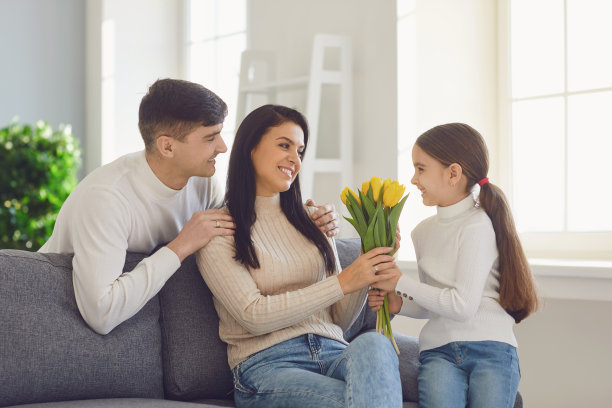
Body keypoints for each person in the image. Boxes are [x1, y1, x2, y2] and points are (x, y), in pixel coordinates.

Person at [39, 79, 340, 335]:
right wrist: (181, 246)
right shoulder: (106, 199)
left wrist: (305, 218)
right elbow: (100, 313)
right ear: (167, 146)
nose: (223, 147)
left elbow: (247, 227)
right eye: (210, 137)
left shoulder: (203, 184)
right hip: (51, 311)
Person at [197, 104, 403, 408]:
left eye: (300, 151)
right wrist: (344, 281)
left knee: (374, 343)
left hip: (335, 352)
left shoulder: (314, 221)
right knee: (361, 401)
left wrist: (365, 260)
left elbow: (340, 320)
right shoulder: (220, 229)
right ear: (251, 148)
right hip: (267, 366)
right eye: (284, 146)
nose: (295, 160)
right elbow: (253, 315)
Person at [369, 123, 538, 408]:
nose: (413, 179)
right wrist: (400, 303)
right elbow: (437, 300)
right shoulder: (421, 232)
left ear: (453, 173)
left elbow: (461, 306)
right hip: (438, 352)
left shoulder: (477, 226)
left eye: (420, 169)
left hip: (491, 349)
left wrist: (400, 282)